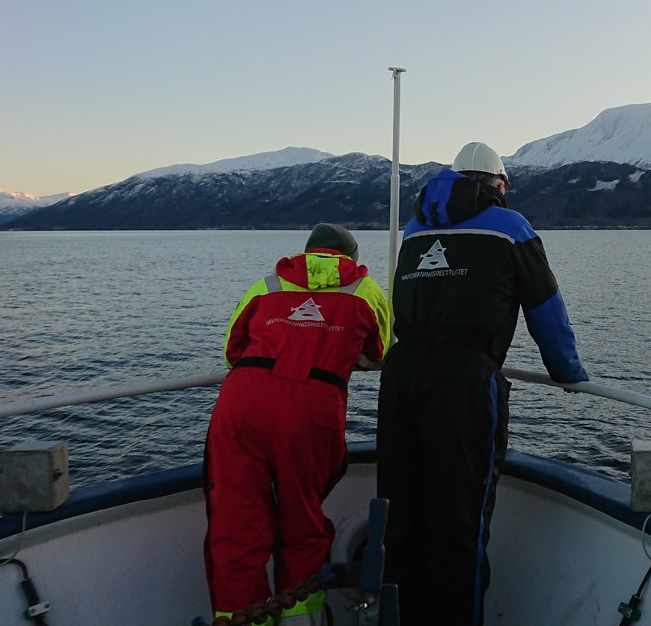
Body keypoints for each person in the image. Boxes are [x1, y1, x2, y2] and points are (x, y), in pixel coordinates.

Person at [377, 141, 589, 626]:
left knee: (401, 520)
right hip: (464, 381)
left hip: (401, 376)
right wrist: (568, 373)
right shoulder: (511, 228)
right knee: (461, 528)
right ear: (499, 185)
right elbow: (546, 313)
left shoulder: (413, 230)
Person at [203, 223, 392, 624]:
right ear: (350, 258)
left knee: (236, 527)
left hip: (243, 402)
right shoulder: (365, 290)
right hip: (311, 406)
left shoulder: (267, 285)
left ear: (306, 253)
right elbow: (379, 352)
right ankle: (300, 620)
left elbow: (231, 351)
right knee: (301, 523)